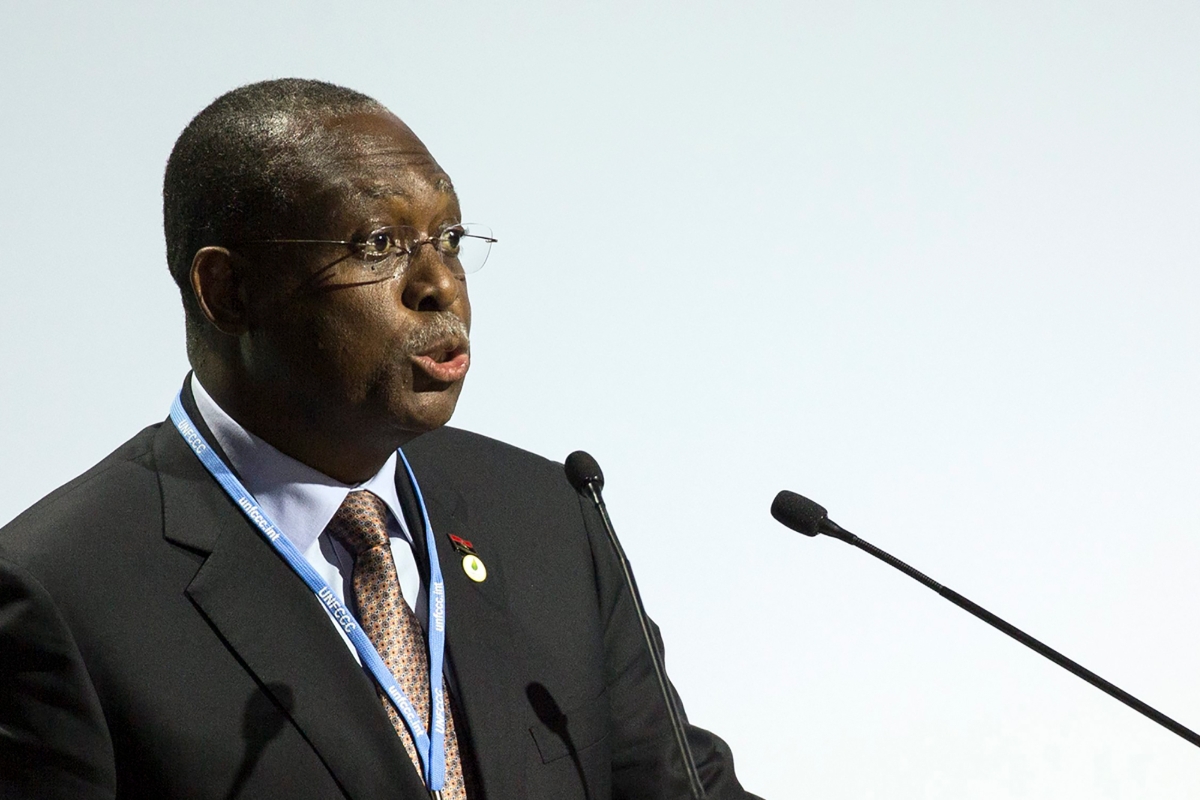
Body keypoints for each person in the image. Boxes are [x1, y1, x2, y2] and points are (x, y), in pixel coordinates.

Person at [0, 79, 760, 799]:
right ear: (229, 292)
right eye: (377, 244)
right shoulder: (60, 595)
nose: (440, 284)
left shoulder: (551, 520)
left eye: (450, 238)